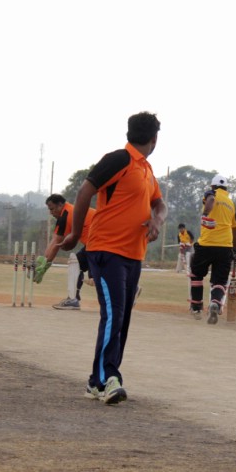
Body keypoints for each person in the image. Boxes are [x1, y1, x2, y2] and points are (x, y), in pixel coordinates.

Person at [61, 112, 166, 405]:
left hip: (133, 255)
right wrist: (72, 234)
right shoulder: (119, 159)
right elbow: (85, 191)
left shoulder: (145, 169)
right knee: (114, 313)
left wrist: (156, 220)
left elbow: (160, 203)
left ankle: (99, 380)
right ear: (154, 139)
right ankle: (107, 378)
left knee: (122, 318)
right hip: (107, 251)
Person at [188, 174, 236, 324]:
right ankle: (215, 303)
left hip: (206, 244)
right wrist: (234, 251)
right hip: (225, 247)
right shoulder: (231, 204)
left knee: (197, 274)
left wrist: (205, 214)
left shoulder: (211, 194)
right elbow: (235, 230)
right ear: (227, 188)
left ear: (212, 186)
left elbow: (211, 200)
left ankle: (197, 306)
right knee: (220, 280)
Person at [41, 194, 95, 310]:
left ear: (60, 205)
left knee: (97, 277)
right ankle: (73, 299)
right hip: (96, 243)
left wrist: (45, 265)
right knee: (76, 263)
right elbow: (54, 240)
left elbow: (56, 243)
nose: (51, 212)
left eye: (52, 209)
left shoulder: (66, 214)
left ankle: (129, 288)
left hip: (99, 243)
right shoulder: (68, 211)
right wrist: (44, 260)